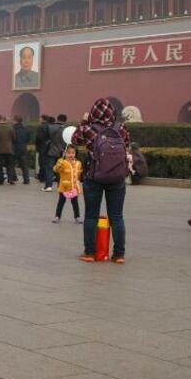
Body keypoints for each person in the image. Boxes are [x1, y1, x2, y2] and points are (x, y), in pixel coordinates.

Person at [73, 99, 130, 264]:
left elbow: (75, 140)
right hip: (117, 178)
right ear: (112, 113)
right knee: (117, 216)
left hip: (94, 177)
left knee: (91, 216)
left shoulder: (88, 129)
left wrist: (83, 122)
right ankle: (119, 254)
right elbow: (125, 147)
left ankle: (89, 253)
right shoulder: (121, 129)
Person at [52, 146, 83, 223]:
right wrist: (58, 165)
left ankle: (77, 217)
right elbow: (56, 169)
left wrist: (78, 182)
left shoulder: (78, 163)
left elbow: (78, 175)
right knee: (61, 202)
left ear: (75, 154)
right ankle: (57, 216)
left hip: (74, 187)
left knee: (75, 202)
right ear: (64, 153)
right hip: (64, 187)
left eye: (73, 153)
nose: (71, 155)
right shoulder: (62, 162)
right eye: (68, 153)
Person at [13, 115, 31, 184]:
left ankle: (14, 178)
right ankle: (26, 179)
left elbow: (12, 139)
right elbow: (28, 139)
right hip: (23, 148)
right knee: (24, 165)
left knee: (11, 164)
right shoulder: (26, 128)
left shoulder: (13, 128)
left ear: (15, 121)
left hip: (14, 148)